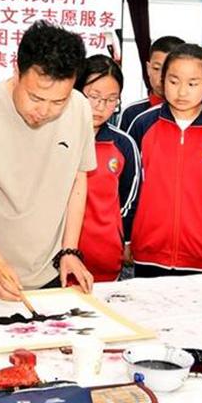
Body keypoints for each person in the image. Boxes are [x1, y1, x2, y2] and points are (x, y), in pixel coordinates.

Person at [0, 20, 96, 299]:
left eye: (58, 101)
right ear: (17, 71)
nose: (45, 111)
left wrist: (69, 249)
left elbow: (78, 179)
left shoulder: (80, 109)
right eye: (35, 97)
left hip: (48, 271)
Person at [128, 44, 202, 276]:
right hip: (148, 251)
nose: (182, 92)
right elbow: (128, 190)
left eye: (192, 83)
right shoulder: (142, 124)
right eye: (174, 81)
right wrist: (126, 239)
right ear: (162, 80)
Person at [75, 55, 140, 282]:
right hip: (54, 259)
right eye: (93, 97)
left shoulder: (123, 145)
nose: (101, 106)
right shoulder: (55, 137)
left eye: (112, 99)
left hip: (105, 256)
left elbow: (128, 201)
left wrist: (121, 238)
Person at [118, 35, 184, 132]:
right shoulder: (132, 113)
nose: (162, 77)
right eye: (156, 68)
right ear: (148, 69)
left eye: (170, 69)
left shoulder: (197, 112)